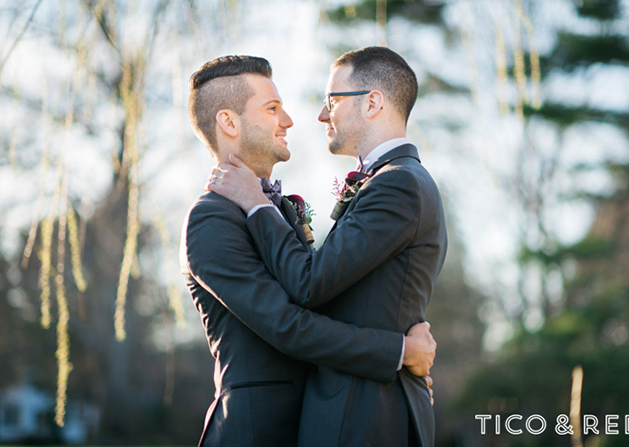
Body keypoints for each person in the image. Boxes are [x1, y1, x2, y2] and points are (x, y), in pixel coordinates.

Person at [180, 55, 437, 447]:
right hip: (255, 431)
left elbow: (322, 292)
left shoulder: (274, 210)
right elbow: (287, 324)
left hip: (319, 419)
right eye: (272, 108)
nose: (290, 120)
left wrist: (402, 352)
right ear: (229, 123)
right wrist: (399, 352)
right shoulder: (210, 220)